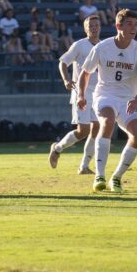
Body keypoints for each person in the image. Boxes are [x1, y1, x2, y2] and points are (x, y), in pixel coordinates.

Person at [77, 9, 137, 193]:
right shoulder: (103, 47)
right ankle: (99, 176)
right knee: (107, 121)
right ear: (118, 26)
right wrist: (81, 95)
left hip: (128, 99)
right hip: (105, 95)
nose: (133, 28)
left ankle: (116, 177)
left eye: (136, 24)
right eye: (129, 24)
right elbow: (85, 73)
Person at [49, 15, 101, 174]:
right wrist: (66, 79)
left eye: (96, 25)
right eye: (90, 26)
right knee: (83, 130)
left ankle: (84, 166)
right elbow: (63, 62)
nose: (93, 28)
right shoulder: (79, 45)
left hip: (99, 93)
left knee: (97, 128)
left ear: (100, 27)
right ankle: (57, 148)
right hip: (82, 93)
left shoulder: (104, 46)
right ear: (86, 29)